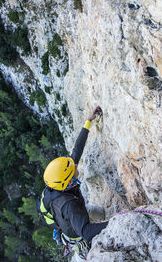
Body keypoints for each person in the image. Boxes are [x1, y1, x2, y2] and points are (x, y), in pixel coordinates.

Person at [39, 106, 108, 260]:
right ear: (68, 181)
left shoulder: (60, 181)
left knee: (99, 212)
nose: (75, 166)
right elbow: (87, 232)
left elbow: (77, 151)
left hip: (79, 212)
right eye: (73, 169)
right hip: (77, 234)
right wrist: (115, 222)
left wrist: (88, 121)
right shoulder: (67, 205)